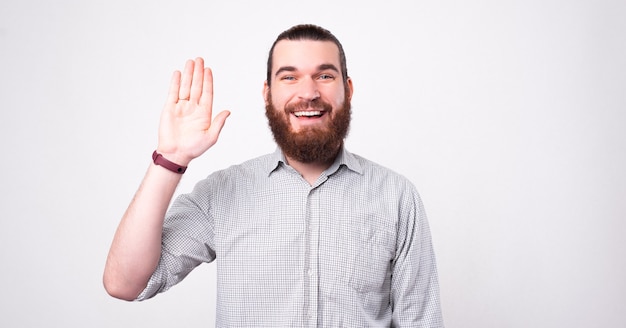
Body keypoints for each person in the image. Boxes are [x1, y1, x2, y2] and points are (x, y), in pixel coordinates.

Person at [103, 24, 444, 327]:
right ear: (267, 93)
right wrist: (171, 159)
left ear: (348, 90)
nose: (308, 92)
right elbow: (125, 283)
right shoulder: (223, 192)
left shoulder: (396, 196)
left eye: (324, 75)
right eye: (289, 76)